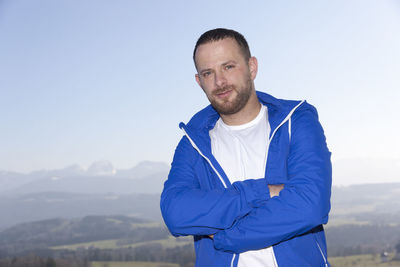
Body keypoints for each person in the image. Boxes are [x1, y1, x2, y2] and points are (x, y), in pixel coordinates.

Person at [160, 28, 332, 267]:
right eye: (208, 73)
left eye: (228, 67)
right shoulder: (192, 144)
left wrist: (226, 235)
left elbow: (310, 205)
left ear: (252, 67)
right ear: (199, 81)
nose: (219, 82)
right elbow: (175, 213)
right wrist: (263, 192)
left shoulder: (297, 122)